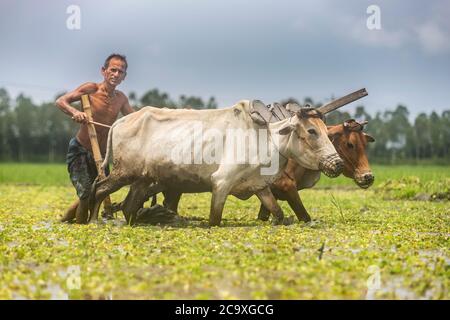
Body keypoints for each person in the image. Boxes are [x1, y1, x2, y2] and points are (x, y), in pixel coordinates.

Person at [55, 53, 135, 224]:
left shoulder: (121, 99)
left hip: (102, 156)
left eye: (120, 72)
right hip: (81, 149)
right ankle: (81, 230)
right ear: (104, 71)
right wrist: (76, 112)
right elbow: (61, 101)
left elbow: (135, 120)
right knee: (85, 195)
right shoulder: (91, 89)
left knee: (96, 194)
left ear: (124, 77)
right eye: (113, 70)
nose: (116, 74)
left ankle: (63, 222)